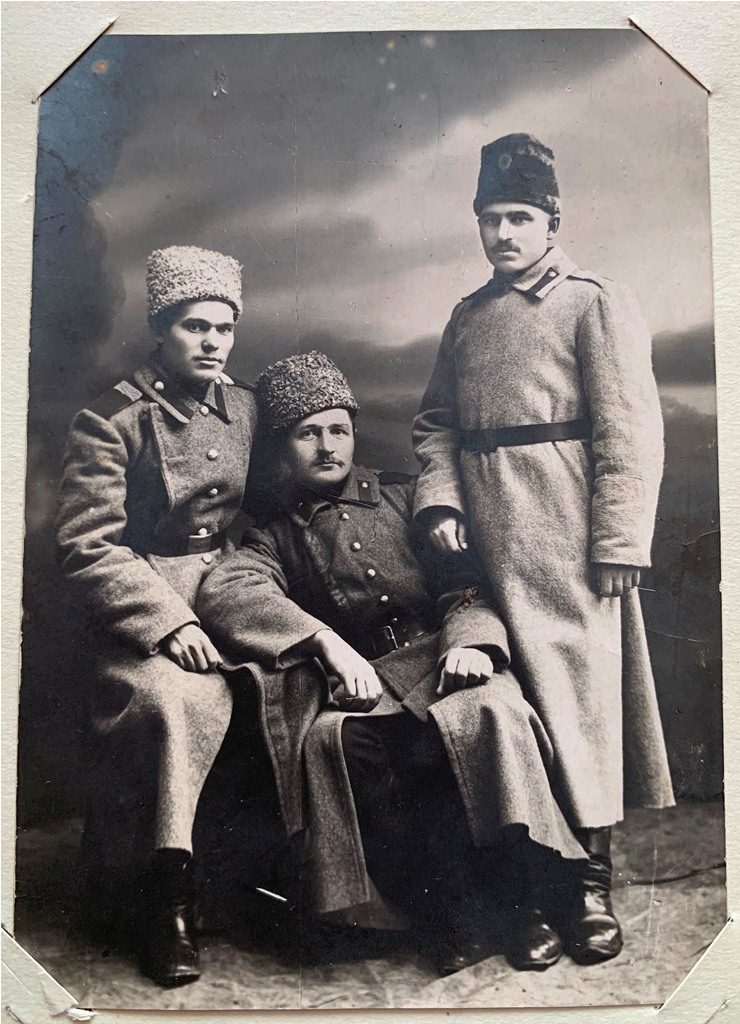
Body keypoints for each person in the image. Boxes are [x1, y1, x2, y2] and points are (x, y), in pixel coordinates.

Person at [197, 351, 594, 975]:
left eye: (338, 429)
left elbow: (466, 584)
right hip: (364, 680)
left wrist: (470, 642)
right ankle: (443, 913)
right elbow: (229, 590)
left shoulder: (405, 498)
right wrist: (324, 644)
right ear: (281, 447)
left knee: (490, 712)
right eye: (307, 433)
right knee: (339, 742)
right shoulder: (274, 534)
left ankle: (526, 904)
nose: (328, 447)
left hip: (444, 656)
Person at [412, 133, 675, 966]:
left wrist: (620, 538)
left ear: (553, 222)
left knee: (582, 711)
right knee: (514, 713)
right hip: (490, 546)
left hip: (569, 539)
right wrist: (442, 498)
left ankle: (588, 888)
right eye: (490, 218)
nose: (503, 234)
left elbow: (630, 430)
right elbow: (436, 424)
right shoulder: (467, 318)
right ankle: (527, 887)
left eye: (520, 217)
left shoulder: (593, 302)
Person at [55, 245, 257, 987]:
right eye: (194, 327)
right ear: (160, 330)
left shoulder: (243, 407)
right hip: (141, 606)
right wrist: (168, 622)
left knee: (294, 679)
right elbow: (86, 546)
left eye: (224, 329)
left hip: (230, 588)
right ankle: (166, 903)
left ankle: (278, 882)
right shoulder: (112, 419)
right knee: (175, 701)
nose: (212, 343)